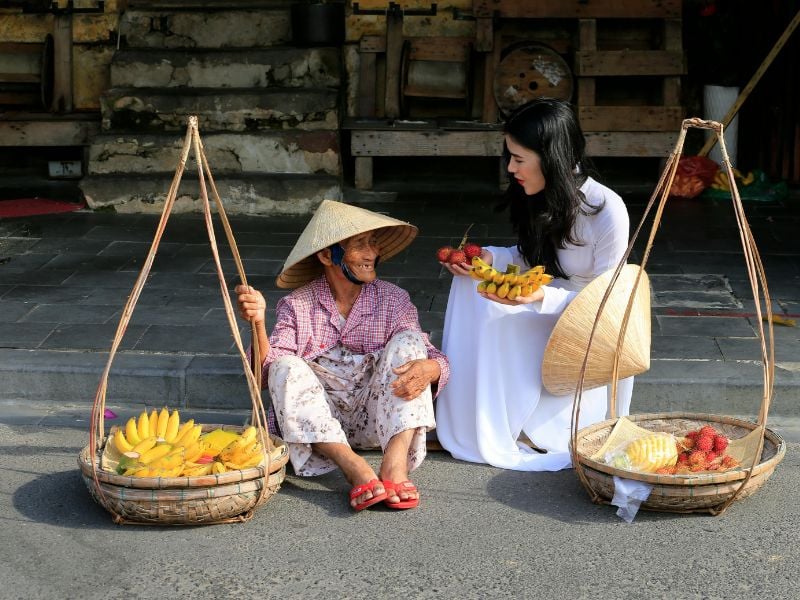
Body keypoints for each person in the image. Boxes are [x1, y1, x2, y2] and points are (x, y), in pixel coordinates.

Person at [435, 97, 633, 471]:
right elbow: (531, 259)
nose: (511, 168)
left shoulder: (607, 209)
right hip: (543, 299)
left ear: (551, 158)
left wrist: (542, 297)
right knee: (468, 286)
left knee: (499, 312)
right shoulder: (538, 196)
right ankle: (475, 415)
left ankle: (524, 421)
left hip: (583, 321)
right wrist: (492, 259)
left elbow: (609, 302)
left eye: (519, 159)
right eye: (510, 157)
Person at [235, 199, 449, 510]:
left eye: (373, 244)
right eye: (360, 245)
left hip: (378, 421)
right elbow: (265, 377)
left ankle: (394, 466)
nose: (372, 254)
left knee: (410, 344)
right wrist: (257, 324)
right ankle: (354, 467)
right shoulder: (297, 304)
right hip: (322, 429)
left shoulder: (394, 299)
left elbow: (430, 354)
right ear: (327, 255)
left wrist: (432, 368)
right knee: (285, 366)